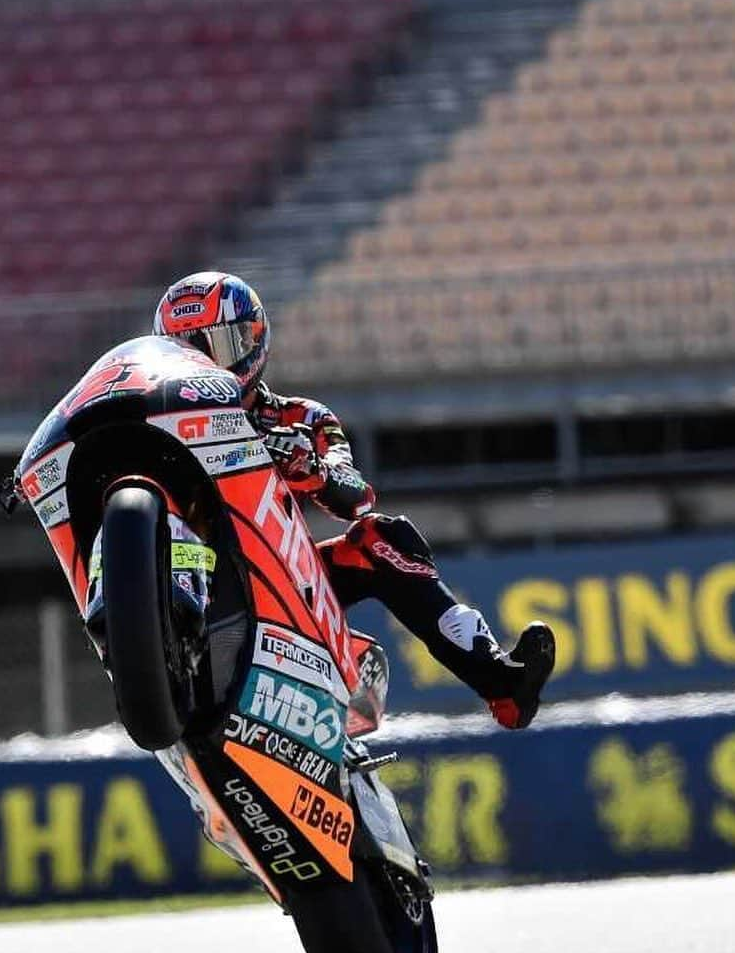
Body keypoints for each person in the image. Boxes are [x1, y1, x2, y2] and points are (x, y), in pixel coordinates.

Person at [152, 270, 556, 730]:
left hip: (273, 579)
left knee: (381, 536)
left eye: (217, 346)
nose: (208, 362)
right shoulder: (153, 415)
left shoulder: (302, 418)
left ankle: (502, 684)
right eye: (188, 349)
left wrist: (308, 468)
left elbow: (355, 495)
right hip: (187, 560)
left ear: (253, 342)